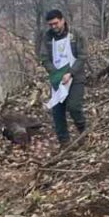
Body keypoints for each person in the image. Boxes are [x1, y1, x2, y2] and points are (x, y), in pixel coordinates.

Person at [36, 9, 87, 146]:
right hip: (57, 77)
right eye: (51, 25)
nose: (54, 27)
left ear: (63, 20)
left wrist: (70, 72)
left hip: (76, 75)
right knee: (57, 110)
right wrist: (56, 74)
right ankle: (64, 142)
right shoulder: (47, 37)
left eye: (56, 23)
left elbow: (82, 56)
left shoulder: (75, 34)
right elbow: (44, 58)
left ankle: (83, 131)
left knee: (74, 106)